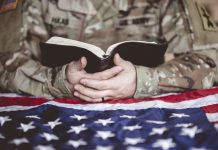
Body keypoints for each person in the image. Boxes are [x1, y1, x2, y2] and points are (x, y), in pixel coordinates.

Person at [0, 0, 218, 102]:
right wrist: (56, 80)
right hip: (51, 118)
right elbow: (4, 59)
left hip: (143, 118)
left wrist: (143, 80)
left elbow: (212, 55)